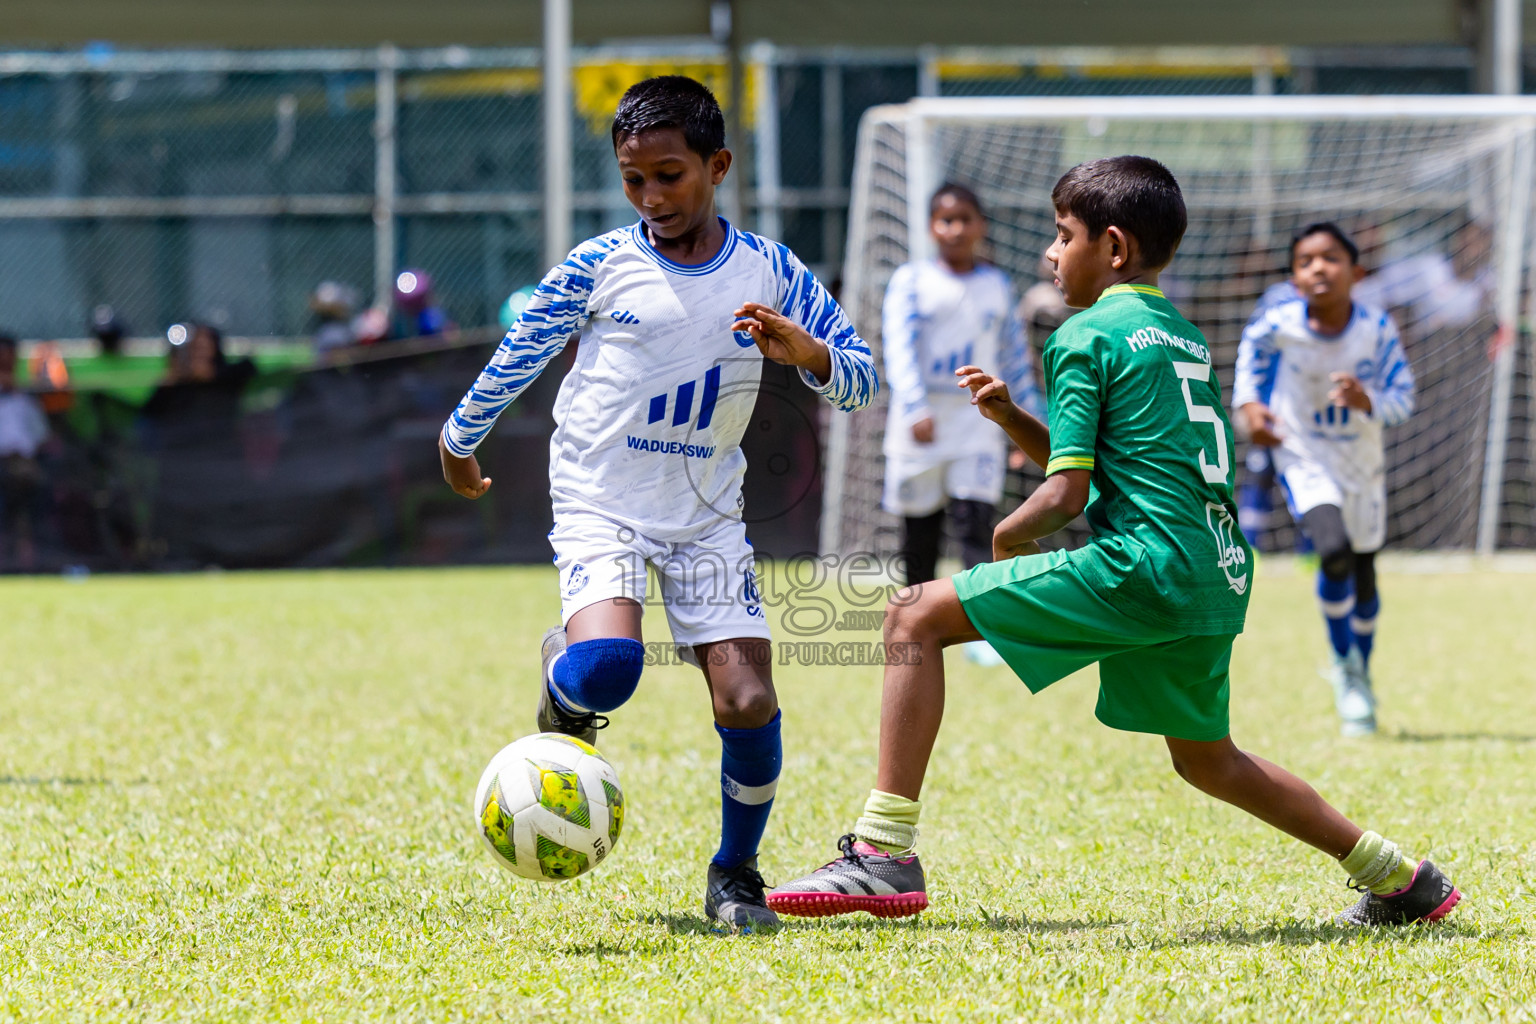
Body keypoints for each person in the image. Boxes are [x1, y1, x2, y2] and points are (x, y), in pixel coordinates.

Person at [765, 157, 1458, 929]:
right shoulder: (1182, 337)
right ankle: (1401, 878)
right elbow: (1111, 469)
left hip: (1144, 566)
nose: (1051, 255)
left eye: (1064, 237)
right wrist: (1011, 418)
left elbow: (1065, 493)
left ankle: (882, 855)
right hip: (1211, 572)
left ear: (1115, 248)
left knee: (913, 615)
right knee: (1208, 760)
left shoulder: (1083, 335)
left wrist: (1006, 532)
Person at [438, 76, 877, 932]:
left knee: (747, 701)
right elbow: (522, 349)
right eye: (633, 180)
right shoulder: (603, 264)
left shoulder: (772, 270)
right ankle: (564, 679)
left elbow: (862, 381)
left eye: (669, 175)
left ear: (717, 165)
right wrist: (460, 439)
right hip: (603, 499)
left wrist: (811, 352)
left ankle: (735, 874)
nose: (651, 196)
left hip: (707, 513)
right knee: (610, 670)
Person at [1233, 223, 1414, 736]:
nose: (1318, 268)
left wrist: (1368, 400)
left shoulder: (1377, 330)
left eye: (1331, 258)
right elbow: (1251, 355)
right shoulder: (1279, 323)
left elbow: (1404, 399)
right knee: (1331, 547)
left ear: (1356, 273)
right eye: (1306, 260)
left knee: (1363, 571)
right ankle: (1345, 670)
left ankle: (1361, 666)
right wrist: (1251, 408)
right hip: (1303, 456)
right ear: (1293, 278)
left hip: (1362, 464)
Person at [880, 183, 1040, 666]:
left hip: (977, 423)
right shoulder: (910, 280)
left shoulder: (997, 285)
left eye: (965, 219)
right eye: (945, 220)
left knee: (976, 527)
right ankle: (914, 625)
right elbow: (899, 346)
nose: (955, 229)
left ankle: (980, 633)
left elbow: (1014, 356)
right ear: (931, 227)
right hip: (922, 425)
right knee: (919, 534)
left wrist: (1024, 425)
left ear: (981, 226)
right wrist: (913, 408)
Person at [0, 335, 50, 571]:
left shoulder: (25, 397)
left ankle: (28, 568)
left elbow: (41, 435)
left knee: (28, 519)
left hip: (23, 465)